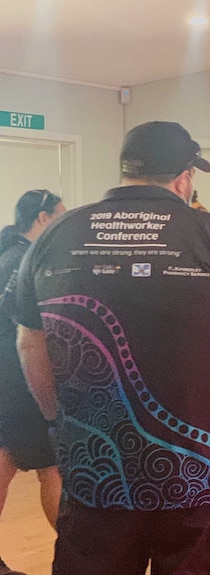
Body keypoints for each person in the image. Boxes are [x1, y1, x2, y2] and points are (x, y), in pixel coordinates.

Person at [15, 121, 210, 575]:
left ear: (126, 171)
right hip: (200, 473)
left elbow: (31, 341)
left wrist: (56, 418)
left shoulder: (57, 233)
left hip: (97, 470)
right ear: (185, 176)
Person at [0, 190, 66, 575]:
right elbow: (32, 327)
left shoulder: (7, 253)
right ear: (42, 217)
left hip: (9, 377)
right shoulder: (25, 260)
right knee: (48, 464)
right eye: (59, 215)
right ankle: (82, 556)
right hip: (19, 378)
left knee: (13, 460)